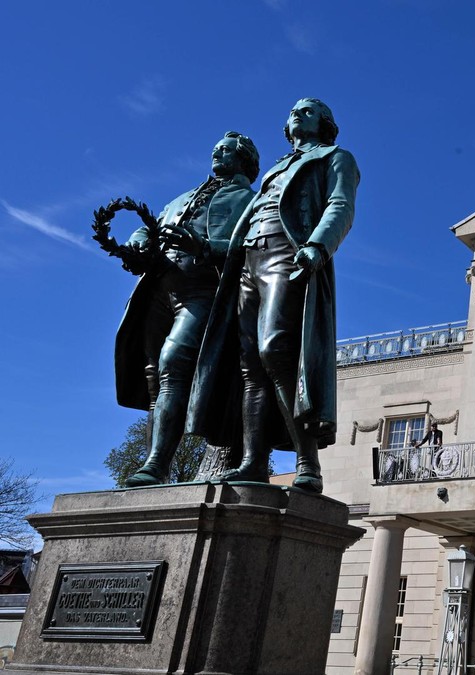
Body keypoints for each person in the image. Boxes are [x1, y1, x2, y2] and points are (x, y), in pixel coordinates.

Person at [189, 99, 359, 494]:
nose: (298, 114)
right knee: (250, 365)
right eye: (294, 111)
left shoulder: (337, 157)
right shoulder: (276, 169)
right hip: (249, 261)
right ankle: (252, 461)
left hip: (288, 254)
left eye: (309, 110)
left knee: (274, 350)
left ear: (326, 124)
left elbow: (340, 205)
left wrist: (318, 245)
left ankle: (307, 462)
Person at [117, 132, 259, 487]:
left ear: (243, 159)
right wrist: (137, 244)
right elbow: (150, 227)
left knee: (173, 364)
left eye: (225, 150)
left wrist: (208, 245)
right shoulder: (183, 197)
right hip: (158, 290)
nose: (217, 153)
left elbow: (254, 248)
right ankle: (155, 465)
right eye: (215, 149)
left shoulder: (249, 200)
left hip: (202, 292)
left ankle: (155, 463)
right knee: (155, 378)